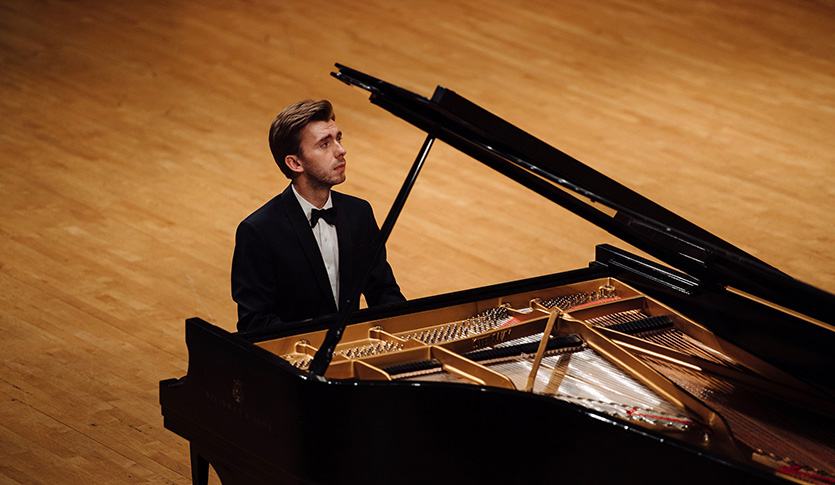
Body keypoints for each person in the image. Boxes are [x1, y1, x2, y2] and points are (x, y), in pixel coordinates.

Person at [231, 99, 405, 331]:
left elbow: (383, 290)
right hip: (297, 350)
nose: (341, 151)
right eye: (324, 144)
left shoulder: (359, 213)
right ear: (295, 163)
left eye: (338, 139)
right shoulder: (259, 232)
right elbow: (255, 321)